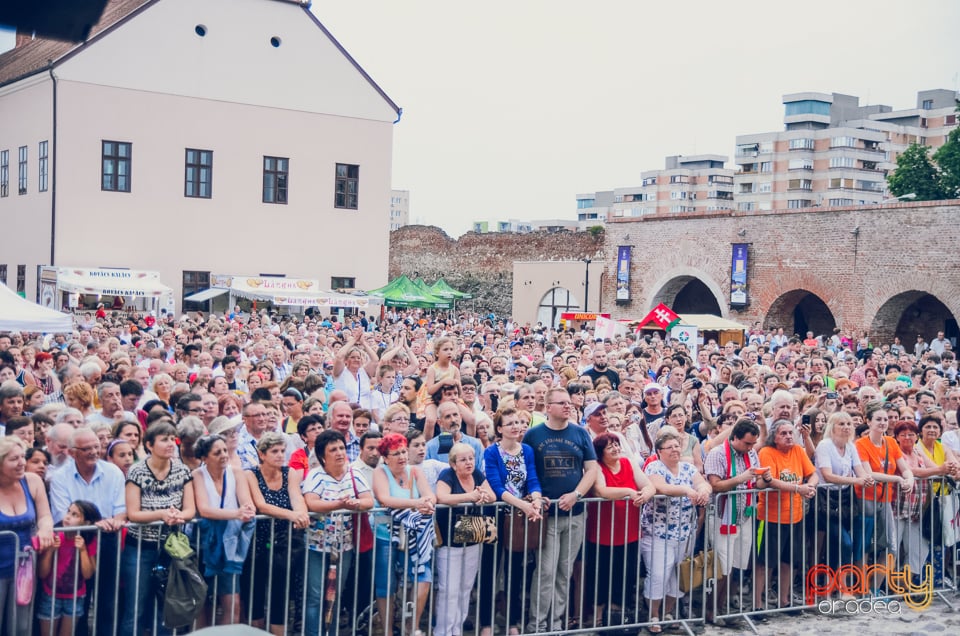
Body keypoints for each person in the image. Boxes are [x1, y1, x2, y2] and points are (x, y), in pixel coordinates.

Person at [523, 387, 598, 634]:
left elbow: (592, 470)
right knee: (545, 572)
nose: (568, 406)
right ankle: (537, 624)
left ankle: (555, 623)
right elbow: (527, 471)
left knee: (565, 572)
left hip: (575, 515)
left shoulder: (580, 433)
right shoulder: (533, 435)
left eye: (570, 403)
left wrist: (576, 495)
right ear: (548, 407)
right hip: (547, 517)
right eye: (562, 403)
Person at [121, 421, 196, 636]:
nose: (171, 443)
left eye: (173, 439)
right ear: (149, 445)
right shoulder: (136, 471)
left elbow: (190, 509)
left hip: (171, 548)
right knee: (135, 607)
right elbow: (133, 513)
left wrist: (179, 516)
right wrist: (162, 515)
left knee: (166, 607)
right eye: (164, 439)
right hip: (140, 548)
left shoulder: (182, 470)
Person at [302, 429, 373, 636]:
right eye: (333, 449)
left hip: (345, 545)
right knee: (315, 595)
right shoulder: (316, 474)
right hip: (316, 545)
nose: (340, 453)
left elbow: (369, 501)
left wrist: (355, 504)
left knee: (335, 595)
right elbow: (311, 502)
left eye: (342, 448)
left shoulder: (354, 473)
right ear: (323, 455)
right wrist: (338, 504)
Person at [481, 406, 543, 635]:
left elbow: (533, 479)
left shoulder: (526, 450)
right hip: (495, 515)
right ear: (499, 429)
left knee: (515, 571)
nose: (516, 427)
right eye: (511, 423)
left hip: (518, 517)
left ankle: (512, 622)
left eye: (518, 422)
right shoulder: (491, 452)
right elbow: (496, 487)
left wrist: (535, 499)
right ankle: (486, 623)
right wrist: (524, 505)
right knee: (490, 569)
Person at [642, 429, 711, 633]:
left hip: (685, 532)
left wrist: (703, 492)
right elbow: (661, 487)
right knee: (658, 575)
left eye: (677, 446)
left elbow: (703, 484)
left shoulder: (688, 468)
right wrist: (687, 490)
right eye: (669, 447)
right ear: (659, 451)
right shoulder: (654, 466)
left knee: (678, 575)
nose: (674, 450)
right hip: (658, 533)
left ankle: (668, 612)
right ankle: (653, 614)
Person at [244, 432, 310, 636]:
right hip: (257, 540)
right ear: (262, 454)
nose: (280, 455)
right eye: (275, 451)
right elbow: (261, 505)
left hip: (283, 541)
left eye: (282, 450)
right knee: (255, 592)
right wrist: (292, 515)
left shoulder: (289, 472)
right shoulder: (250, 474)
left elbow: (296, 496)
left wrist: (301, 513)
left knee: (280, 592)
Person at [586, 432, 655, 629]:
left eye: (617, 444)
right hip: (603, 532)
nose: (616, 449)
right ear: (601, 452)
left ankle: (618, 615)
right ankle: (598, 617)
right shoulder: (597, 467)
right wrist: (629, 492)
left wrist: (646, 493)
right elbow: (601, 490)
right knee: (600, 575)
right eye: (610, 447)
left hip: (629, 531)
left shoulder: (627, 462)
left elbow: (648, 484)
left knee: (625, 575)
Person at [370, 433, 436, 636]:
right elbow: (384, 498)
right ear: (385, 457)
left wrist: (427, 503)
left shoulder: (415, 471)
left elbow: (430, 495)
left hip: (413, 534)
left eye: (403, 452)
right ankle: (388, 630)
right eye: (396, 453)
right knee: (386, 584)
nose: (401, 457)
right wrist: (417, 504)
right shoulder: (380, 472)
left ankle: (411, 627)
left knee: (423, 577)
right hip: (385, 535)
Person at [704, 418, 765, 626]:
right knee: (723, 566)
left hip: (744, 514)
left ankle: (722, 608)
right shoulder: (717, 453)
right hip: (723, 515)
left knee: (736, 564)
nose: (750, 448)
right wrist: (741, 478)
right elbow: (716, 485)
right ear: (735, 437)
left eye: (753, 444)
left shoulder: (752, 453)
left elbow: (754, 481)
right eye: (747, 443)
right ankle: (711, 611)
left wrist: (763, 480)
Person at [193, 434, 257, 626]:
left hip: (230, 544)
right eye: (217, 452)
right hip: (202, 544)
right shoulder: (197, 474)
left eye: (224, 450)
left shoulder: (236, 472)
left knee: (232, 602)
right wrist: (236, 513)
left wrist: (242, 511)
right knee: (201, 603)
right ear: (205, 458)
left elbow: (248, 504)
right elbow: (204, 509)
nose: (223, 455)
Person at [755, 418, 818, 612]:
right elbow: (771, 481)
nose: (789, 436)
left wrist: (810, 487)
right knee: (764, 563)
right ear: (774, 437)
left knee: (790, 561)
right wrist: (799, 488)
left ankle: (784, 600)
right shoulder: (767, 452)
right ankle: (757, 604)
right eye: (784, 433)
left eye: (791, 433)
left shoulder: (798, 450)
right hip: (770, 516)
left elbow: (813, 473)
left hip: (796, 515)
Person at [434, 442, 496, 636]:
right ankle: (443, 631)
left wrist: (482, 496)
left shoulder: (477, 474)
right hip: (450, 539)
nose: (469, 462)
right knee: (448, 589)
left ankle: (457, 630)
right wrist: (471, 496)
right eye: (463, 460)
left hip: (473, 534)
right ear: (453, 464)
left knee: (465, 587)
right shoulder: (447, 475)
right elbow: (442, 497)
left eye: (471, 458)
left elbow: (492, 495)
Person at [855, 401, 915, 584]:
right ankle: (862, 588)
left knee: (891, 546)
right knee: (864, 546)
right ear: (868, 421)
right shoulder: (861, 444)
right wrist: (897, 479)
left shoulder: (890, 442)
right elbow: (867, 473)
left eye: (885, 419)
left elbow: (904, 467)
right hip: (865, 498)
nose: (883, 422)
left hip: (885, 499)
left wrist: (909, 478)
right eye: (878, 419)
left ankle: (875, 588)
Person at [0, 437, 54, 635]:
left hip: (24, 567)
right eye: (14, 459)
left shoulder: (32, 481)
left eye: (23, 456)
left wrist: (45, 529)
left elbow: (45, 515)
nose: (22, 462)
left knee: (21, 627)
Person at [813, 412, 874, 588]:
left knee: (840, 545)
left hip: (846, 499)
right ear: (832, 427)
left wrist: (866, 478)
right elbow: (827, 475)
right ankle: (840, 586)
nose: (846, 427)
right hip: (826, 499)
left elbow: (859, 469)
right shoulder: (825, 445)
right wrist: (856, 480)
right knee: (844, 542)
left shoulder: (850, 446)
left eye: (848, 423)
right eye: (841, 424)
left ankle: (837, 585)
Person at [36, 500, 101, 636]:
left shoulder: (88, 541)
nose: (67, 517)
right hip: (50, 596)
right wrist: (50, 551)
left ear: (87, 523)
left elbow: (88, 574)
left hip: (75, 598)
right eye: (68, 512)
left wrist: (83, 550)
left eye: (75, 515)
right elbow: (42, 573)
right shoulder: (55, 536)